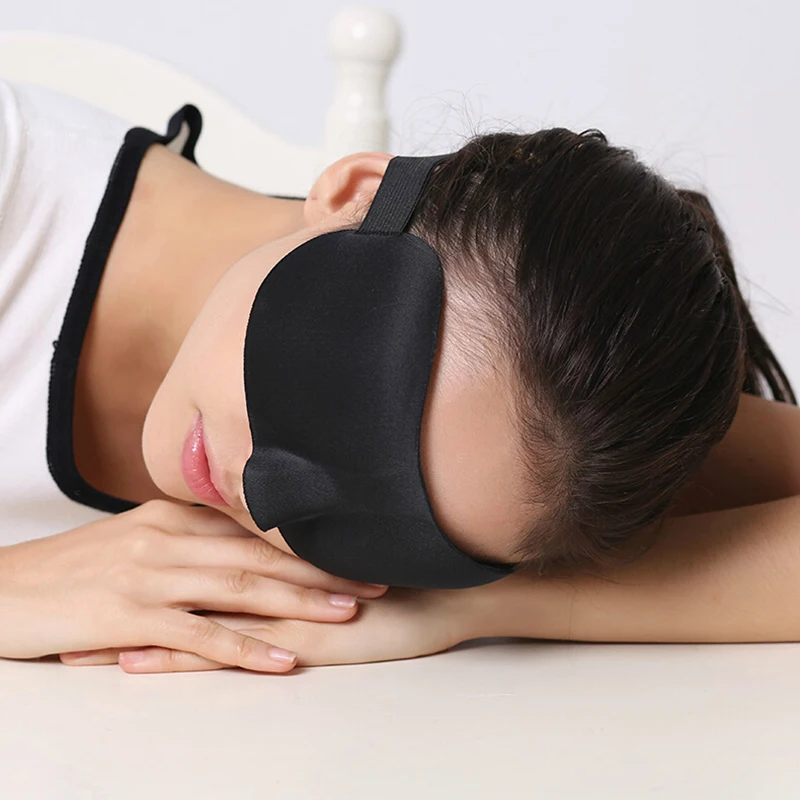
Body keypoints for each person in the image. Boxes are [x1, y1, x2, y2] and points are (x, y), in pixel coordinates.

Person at [1, 77, 799, 676]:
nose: (269, 492)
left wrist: (476, 607)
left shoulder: (557, 444)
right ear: (358, 194)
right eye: (336, 397)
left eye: (391, 528)